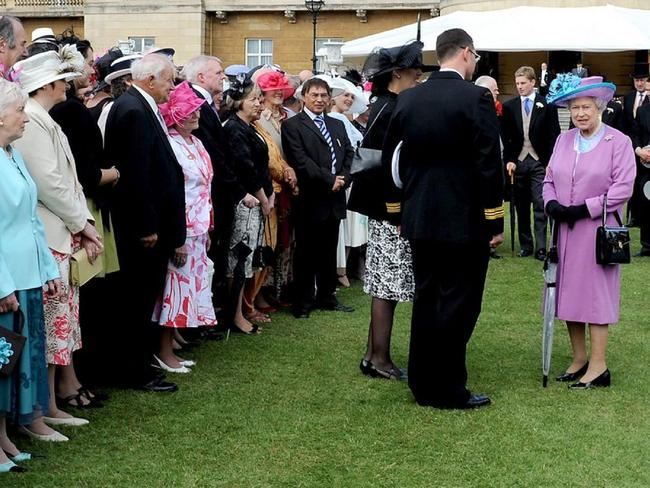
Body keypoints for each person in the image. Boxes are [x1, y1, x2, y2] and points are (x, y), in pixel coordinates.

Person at [382, 28, 504, 408]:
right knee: (460, 302)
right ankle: (449, 389)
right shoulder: (477, 98)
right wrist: (494, 220)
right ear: (466, 53)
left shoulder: (408, 99)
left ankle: (422, 382)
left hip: (419, 216)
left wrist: (397, 210)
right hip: (464, 220)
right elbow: (488, 164)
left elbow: (390, 161)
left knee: (427, 297)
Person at [13, 46, 102, 430]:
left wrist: (81, 220)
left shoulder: (42, 119)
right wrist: (82, 222)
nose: (69, 85)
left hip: (58, 234)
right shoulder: (32, 122)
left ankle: (50, 404)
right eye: (63, 79)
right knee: (51, 325)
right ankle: (43, 408)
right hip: (48, 237)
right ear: (48, 84)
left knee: (60, 325)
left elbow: (67, 181)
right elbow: (50, 184)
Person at [544, 74, 635, 388]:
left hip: (599, 232)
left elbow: (623, 188)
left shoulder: (618, 142)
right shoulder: (563, 139)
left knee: (595, 297)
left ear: (599, 108)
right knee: (569, 295)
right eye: (575, 108)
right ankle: (579, 358)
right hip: (566, 232)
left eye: (586, 107)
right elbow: (549, 180)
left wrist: (586, 208)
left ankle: (599, 366)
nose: (580, 113)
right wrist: (551, 204)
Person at [349, 40, 431, 379]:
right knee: (387, 287)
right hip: (388, 211)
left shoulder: (385, 104)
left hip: (383, 208)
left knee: (386, 285)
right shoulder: (392, 107)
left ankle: (373, 355)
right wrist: (396, 212)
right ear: (397, 74)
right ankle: (378, 358)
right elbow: (382, 168)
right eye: (414, 73)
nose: (418, 79)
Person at [104, 53, 185, 393]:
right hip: (142, 228)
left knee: (142, 298)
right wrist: (146, 224)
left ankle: (137, 364)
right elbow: (135, 173)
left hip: (150, 222)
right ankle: (133, 370)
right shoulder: (133, 109)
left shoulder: (138, 105)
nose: (173, 86)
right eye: (169, 80)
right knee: (135, 301)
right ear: (150, 80)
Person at [49, 39, 121, 392]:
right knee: (88, 296)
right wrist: (115, 174)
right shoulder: (72, 112)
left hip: (81, 209)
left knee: (83, 300)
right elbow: (84, 174)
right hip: (84, 211)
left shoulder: (67, 111)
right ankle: (81, 377)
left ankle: (78, 378)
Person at [0, 79, 64, 470]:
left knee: (14, 364)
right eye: (19, 111)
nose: (25, 118)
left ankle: (5, 436)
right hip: (6, 280)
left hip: (27, 275)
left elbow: (32, 220)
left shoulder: (12, 155)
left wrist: (47, 268)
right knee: (0, 363)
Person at [152, 81, 217, 371]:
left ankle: (173, 343)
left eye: (197, 111)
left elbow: (205, 187)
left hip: (200, 226)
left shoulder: (197, 142)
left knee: (189, 289)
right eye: (189, 111)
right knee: (173, 291)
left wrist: (208, 227)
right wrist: (178, 236)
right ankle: (163, 350)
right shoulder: (171, 144)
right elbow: (172, 192)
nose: (196, 115)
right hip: (182, 228)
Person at [281, 77, 355, 319]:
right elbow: (301, 161)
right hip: (310, 199)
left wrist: (343, 178)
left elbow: (349, 154)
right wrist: (329, 179)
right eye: (315, 95)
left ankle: (327, 296)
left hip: (335, 198)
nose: (320, 100)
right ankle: (302, 302)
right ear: (304, 97)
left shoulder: (337, 124)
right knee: (306, 253)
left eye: (324, 95)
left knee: (328, 250)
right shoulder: (293, 126)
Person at [181, 55, 238, 320]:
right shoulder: (195, 102)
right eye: (218, 72)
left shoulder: (205, 101)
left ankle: (204, 313)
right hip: (205, 197)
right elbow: (214, 151)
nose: (223, 76)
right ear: (201, 76)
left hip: (213, 194)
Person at [222, 77, 273, 334]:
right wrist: (264, 198)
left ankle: (239, 311)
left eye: (259, 98)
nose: (259, 104)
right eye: (253, 99)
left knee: (246, 259)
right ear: (239, 102)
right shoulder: (234, 128)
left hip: (256, 200)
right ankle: (235, 315)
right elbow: (246, 168)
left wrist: (269, 194)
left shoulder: (249, 127)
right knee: (239, 259)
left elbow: (261, 167)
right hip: (245, 203)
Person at [248, 70, 298, 316]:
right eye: (272, 89)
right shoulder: (258, 120)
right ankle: (259, 294)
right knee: (267, 241)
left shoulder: (288, 116)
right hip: (267, 187)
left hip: (288, 186)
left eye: (281, 88)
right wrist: (285, 172)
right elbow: (268, 157)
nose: (278, 92)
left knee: (283, 242)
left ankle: (277, 288)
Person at [502, 66, 560, 261]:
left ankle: (541, 247)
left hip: (539, 162)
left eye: (523, 83)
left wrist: (550, 162)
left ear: (533, 82)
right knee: (521, 206)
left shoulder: (547, 105)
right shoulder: (509, 107)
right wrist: (509, 160)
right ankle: (526, 245)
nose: (519, 87)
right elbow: (507, 137)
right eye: (517, 83)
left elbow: (554, 136)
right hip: (518, 162)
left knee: (540, 203)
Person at [327, 75, 368, 288]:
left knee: (350, 228)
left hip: (350, 177)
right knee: (345, 228)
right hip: (345, 178)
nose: (350, 99)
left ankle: (344, 268)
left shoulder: (344, 119)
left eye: (352, 96)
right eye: (346, 95)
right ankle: (340, 270)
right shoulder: (338, 119)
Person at [476, 75, 506, 260]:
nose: (498, 94)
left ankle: (490, 244)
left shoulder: (492, 111)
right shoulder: (478, 113)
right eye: (495, 91)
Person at [623, 63, 650, 227]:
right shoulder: (629, 98)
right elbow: (625, 124)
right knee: (632, 182)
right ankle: (633, 217)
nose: (640, 83)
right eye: (637, 80)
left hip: (647, 149)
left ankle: (642, 217)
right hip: (632, 147)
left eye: (643, 80)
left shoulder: (648, 97)